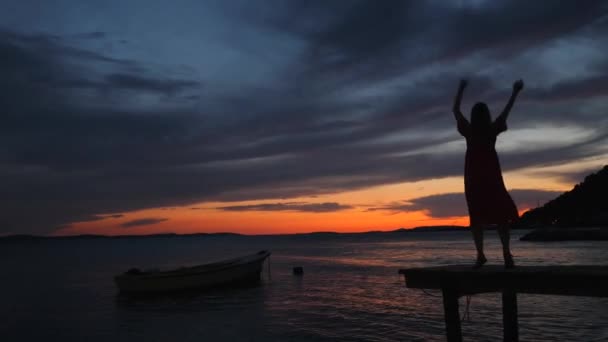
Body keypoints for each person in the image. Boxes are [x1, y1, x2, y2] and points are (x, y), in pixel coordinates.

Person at [452, 79, 523, 269]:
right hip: (492, 176)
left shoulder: (470, 130)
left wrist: (461, 89)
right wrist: (515, 92)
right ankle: (506, 253)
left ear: (474, 116)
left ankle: (481, 255)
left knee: (476, 217)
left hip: (474, 177)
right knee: (501, 216)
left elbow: (455, 110)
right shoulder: (491, 130)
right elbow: (507, 110)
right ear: (487, 115)